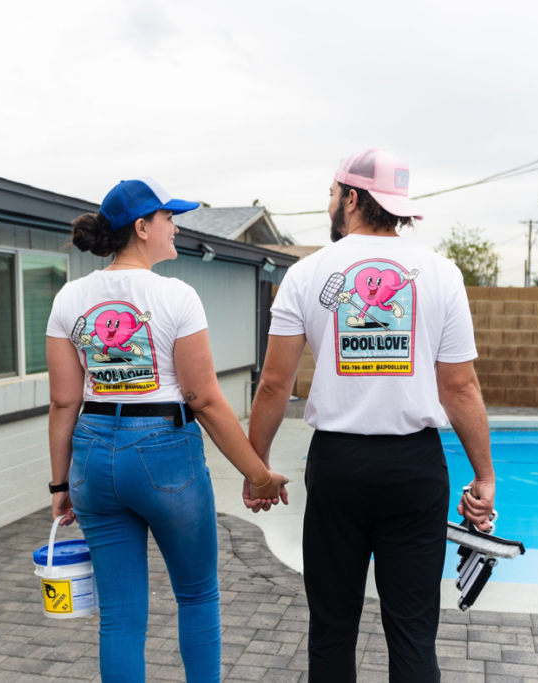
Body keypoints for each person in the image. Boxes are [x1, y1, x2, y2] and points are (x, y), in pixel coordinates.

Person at [247, 149, 496, 682]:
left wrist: (257, 468)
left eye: (333, 195)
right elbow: (461, 387)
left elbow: (274, 384)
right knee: (411, 631)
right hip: (414, 469)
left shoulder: (307, 273)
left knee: (332, 627)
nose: (330, 205)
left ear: (353, 198)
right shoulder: (440, 273)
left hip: (339, 466)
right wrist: (485, 475)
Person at [46, 177, 288, 683]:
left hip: (92, 455)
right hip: (164, 454)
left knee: (120, 615)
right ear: (141, 227)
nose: (175, 226)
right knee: (197, 595)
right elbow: (202, 398)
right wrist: (258, 474)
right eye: (168, 218)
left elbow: (64, 399)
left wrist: (61, 484)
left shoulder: (70, 297)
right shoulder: (176, 295)